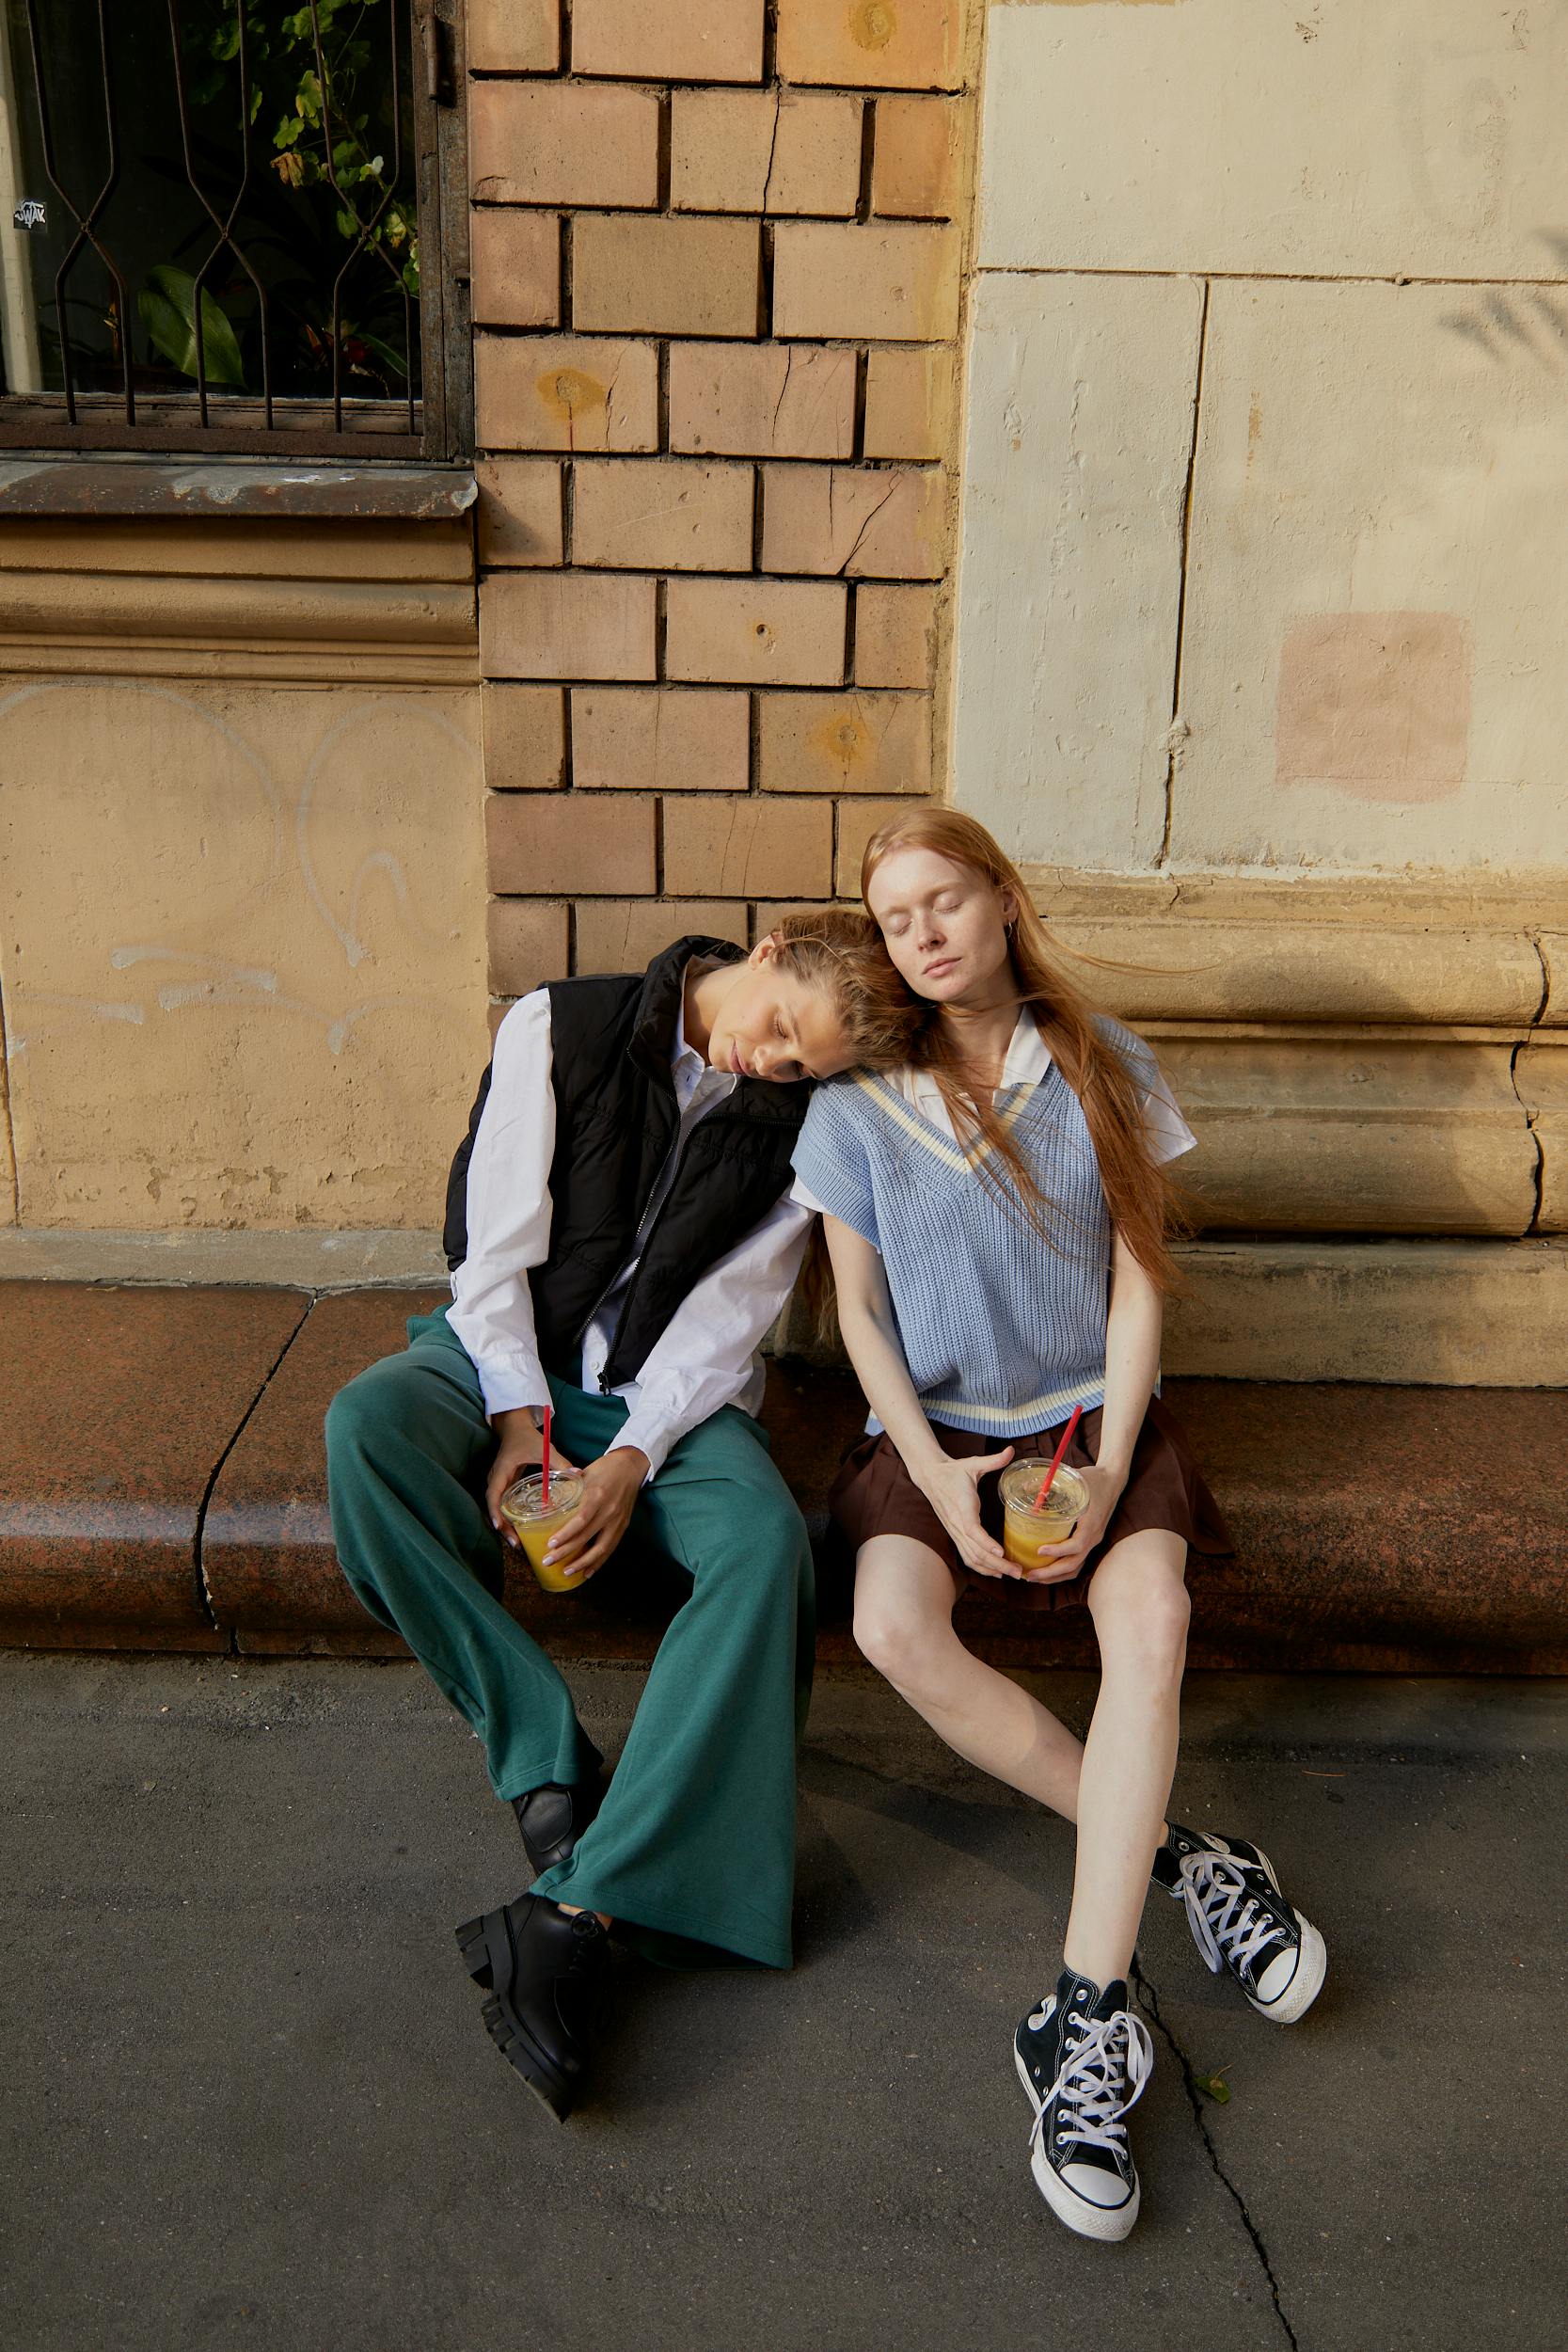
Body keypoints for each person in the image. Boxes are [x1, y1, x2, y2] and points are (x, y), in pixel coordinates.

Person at [790, 811, 1325, 2242]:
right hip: (936, 1427)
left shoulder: (1097, 1060)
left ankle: (1079, 2023)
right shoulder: (852, 1102)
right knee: (890, 1622)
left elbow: (1141, 1281)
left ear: (1000, 899)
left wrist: (1100, 1458)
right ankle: (1184, 1862)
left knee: (1147, 1620)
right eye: (895, 919)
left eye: (942, 901)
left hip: (1093, 1408)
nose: (922, 934)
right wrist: (933, 1472)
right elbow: (855, 1310)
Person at [325, 916, 921, 2122]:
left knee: (759, 1545)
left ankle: (572, 1913)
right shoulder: (561, 1024)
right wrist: (517, 1420)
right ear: (768, 950)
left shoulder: (807, 1126)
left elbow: (729, 1316)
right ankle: (546, 1766)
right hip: (506, 1363)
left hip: (668, 1404)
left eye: (803, 1068)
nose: (774, 1066)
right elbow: (490, 1256)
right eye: (781, 1032)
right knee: (366, 1432)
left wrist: (634, 1453)